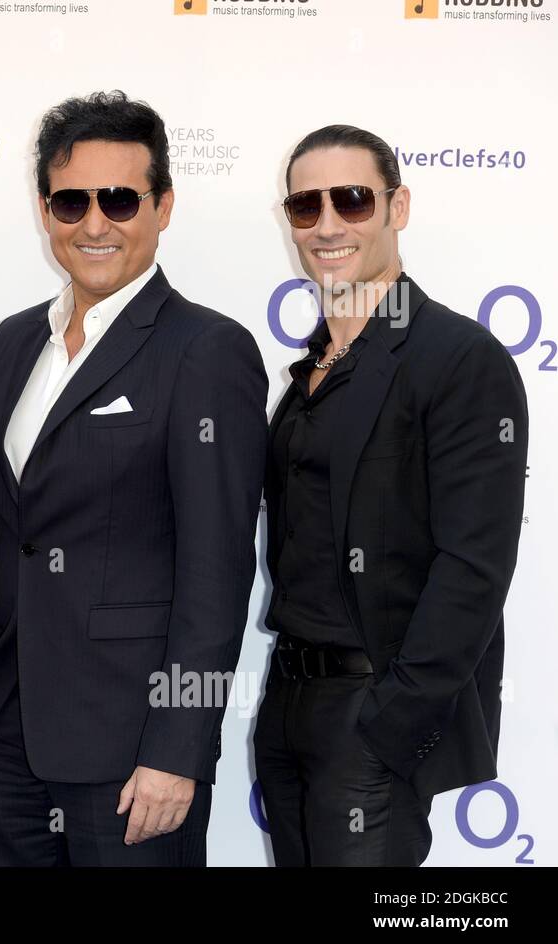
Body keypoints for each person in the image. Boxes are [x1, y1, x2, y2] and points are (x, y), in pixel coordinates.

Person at [0, 91, 268, 866]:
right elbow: (1, 533)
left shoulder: (206, 351)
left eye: (121, 199)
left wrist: (178, 749)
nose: (94, 224)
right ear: (44, 211)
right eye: (72, 201)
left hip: (132, 749)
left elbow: (217, 572)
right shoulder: (10, 344)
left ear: (163, 206)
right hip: (7, 732)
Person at [255, 124, 528, 866]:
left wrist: (394, 721)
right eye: (306, 207)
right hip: (288, 705)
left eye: (352, 199)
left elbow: (474, 566)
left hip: (370, 714)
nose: (328, 224)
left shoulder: (456, 357)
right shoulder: (308, 370)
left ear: (397, 207)